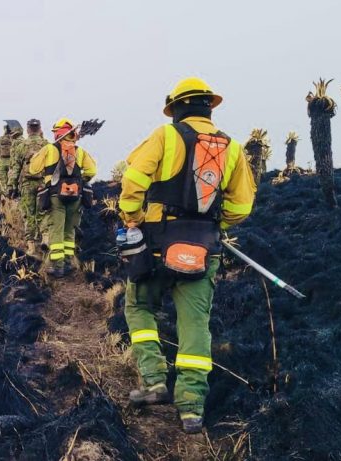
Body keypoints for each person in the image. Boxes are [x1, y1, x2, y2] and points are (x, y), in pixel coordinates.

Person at [119, 77, 256, 434]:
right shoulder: (233, 148)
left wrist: (132, 218)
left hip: (158, 242)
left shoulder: (166, 137)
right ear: (209, 107)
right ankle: (192, 408)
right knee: (195, 324)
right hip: (204, 246)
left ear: (176, 108)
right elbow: (242, 205)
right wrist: (214, 223)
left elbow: (133, 176)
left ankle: (154, 380)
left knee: (139, 306)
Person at [29, 118, 97, 276]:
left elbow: (33, 169)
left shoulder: (49, 149)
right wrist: (80, 181)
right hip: (76, 196)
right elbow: (92, 171)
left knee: (56, 230)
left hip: (55, 196)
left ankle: (58, 267)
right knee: (69, 231)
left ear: (58, 133)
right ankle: (69, 263)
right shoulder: (80, 151)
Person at [8, 119, 50, 256]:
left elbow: (15, 168)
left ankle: (31, 247)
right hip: (43, 183)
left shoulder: (22, 145)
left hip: (26, 184)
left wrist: (12, 185)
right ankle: (45, 237)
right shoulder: (46, 145)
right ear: (40, 129)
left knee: (29, 215)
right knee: (43, 212)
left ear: (27, 130)